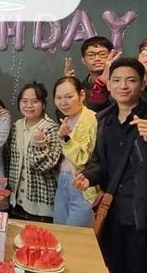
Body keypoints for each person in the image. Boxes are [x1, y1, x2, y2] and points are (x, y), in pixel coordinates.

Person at [74, 58, 147, 273]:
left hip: (144, 214)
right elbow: (99, 160)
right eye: (117, 80)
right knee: (110, 266)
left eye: (131, 80)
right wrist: (88, 176)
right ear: (109, 85)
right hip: (111, 212)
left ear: (142, 84)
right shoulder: (104, 120)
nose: (123, 86)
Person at [6, 83, 62, 222]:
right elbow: (8, 160)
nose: (29, 105)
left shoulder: (52, 129)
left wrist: (39, 143)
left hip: (41, 206)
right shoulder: (16, 126)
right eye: (24, 101)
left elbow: (45, 165)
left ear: (43, 104)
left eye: (35, 101)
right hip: (15, 202)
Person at [52, 76, 98, 227]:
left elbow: (83, 159)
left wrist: (66, 139)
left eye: (69, 97)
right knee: (59, 229)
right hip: (63, 179)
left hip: (82, 183)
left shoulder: (91, 119)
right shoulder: (65, 119)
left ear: (82, 95)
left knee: (75, 234)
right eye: (58, 97)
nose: (63, 102)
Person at [64, 36, 119, 112]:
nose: (97, 59)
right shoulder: (81, 88)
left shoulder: (120, 85)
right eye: (91, 55)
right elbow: (65, 114)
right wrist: (69, 87)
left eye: (102, 54)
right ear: (83, 60)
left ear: (112, 56)